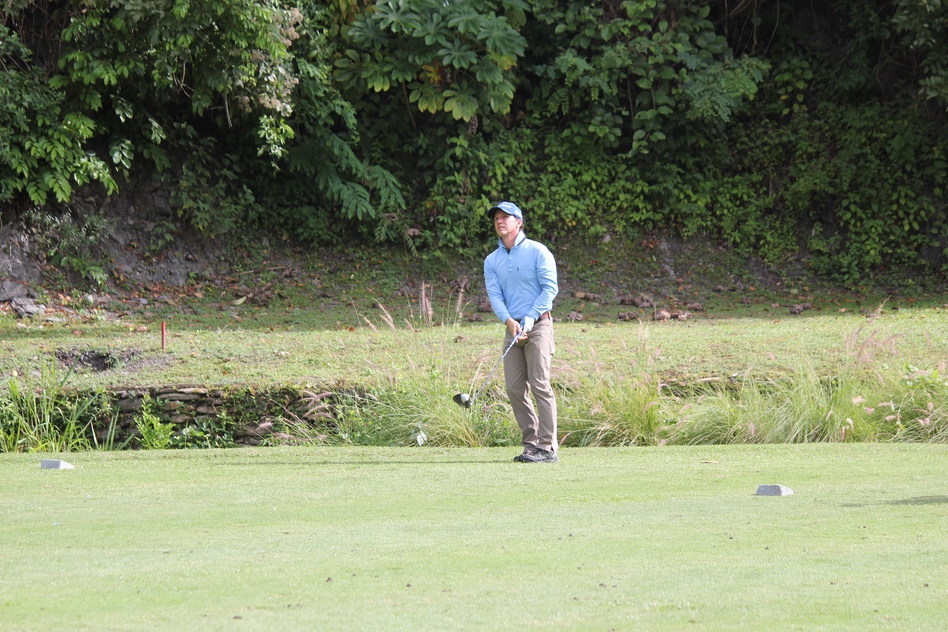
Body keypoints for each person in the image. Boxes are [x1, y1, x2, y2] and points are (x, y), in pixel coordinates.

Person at [483, 201, 559, 463]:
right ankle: (531, 444)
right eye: (496, 218)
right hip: (512, 329)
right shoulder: (492, 260)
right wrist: (508, 320)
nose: (500, 221)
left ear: (519, 222)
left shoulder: (538, 251)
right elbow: (495, 295)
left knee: (540, 385)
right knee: (515, 388)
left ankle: (547, 448)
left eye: (506, 217)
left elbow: (550, 289)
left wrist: (530, 317)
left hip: (539, 326)